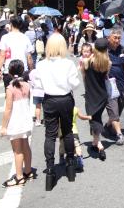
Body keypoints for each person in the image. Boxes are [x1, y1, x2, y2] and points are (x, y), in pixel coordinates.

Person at [34, 33, 80, 189]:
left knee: (50, 135)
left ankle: (50, 169)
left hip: (49, 100)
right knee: (67, 132)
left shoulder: (41, 64)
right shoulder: (68, 63)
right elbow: (75, 83)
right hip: (65, 99)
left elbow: (38, 86)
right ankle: (70, 165)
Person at [0, 60, 34, 187]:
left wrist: (4, 126)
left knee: (17, 150)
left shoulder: (10, 88)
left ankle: (19, 176)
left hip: (15, 121)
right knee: (26, 146)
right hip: (25, 119)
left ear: (9, 72)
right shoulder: (27, 85)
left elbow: (8, 109)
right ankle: (28, 171)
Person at [83, 38, 110, 161]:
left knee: (93, 118)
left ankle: (99, 145)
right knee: (96, 117)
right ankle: (95, 142)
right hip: (102, 94)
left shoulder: (88, 61)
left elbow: (84, 77)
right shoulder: (107, 63)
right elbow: (106, 77)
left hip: (91, 94)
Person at [106, 28, 124, 145]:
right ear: (109, 38)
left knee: (120, 106)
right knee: (114, 111)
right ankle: (119, 134)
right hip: (108, 85)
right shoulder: (104, 50)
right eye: (115, 38)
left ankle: (108, 125)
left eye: (119, 38)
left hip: (121, 84)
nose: (117, 40)